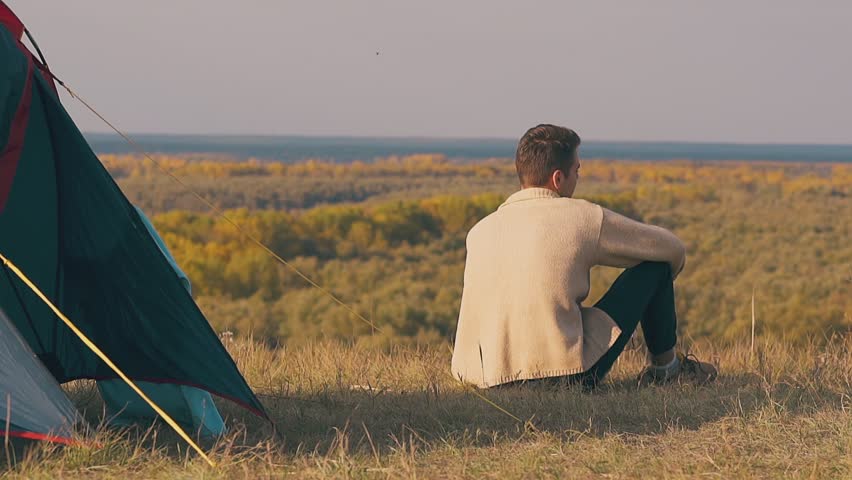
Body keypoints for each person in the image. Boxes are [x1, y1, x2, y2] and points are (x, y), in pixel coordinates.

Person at [451, 124, 717, 389]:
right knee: (655, 266)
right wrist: (668, 276)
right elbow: (672, 248)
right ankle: (667, 370)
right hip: (561, 375)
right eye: (576, 170)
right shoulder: (580, 217)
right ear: (558, 178)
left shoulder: (479, 231)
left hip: (482, 378)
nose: (578, 178)